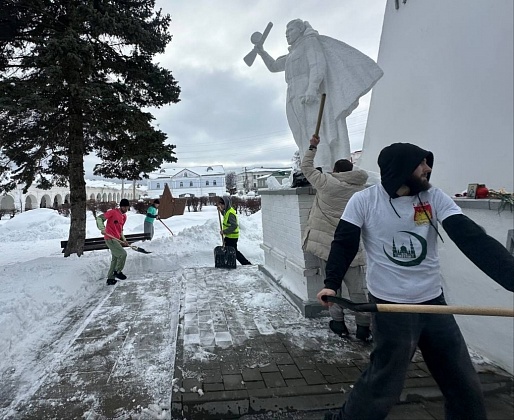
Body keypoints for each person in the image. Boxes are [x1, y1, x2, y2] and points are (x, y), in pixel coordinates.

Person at [317, 142, 514, 420]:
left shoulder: (434, 197)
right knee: (384, 382)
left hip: (434, 304)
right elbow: (344, 243)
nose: (428, 168)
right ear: (401, 169)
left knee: (462, 381)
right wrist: (332, 282)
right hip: (391, 306)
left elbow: (471, 238)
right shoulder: (364, 201)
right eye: (421, 163)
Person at [254, 19, 382, 172]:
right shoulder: (292, 53)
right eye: (286, 32)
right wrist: (261, 52)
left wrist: (312, 89)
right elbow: (274, 66)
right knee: (300, 134)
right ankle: (309, 169)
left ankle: (323, 168)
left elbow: (317, 65)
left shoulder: (309, 43)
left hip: (308, 94)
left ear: (300, 30)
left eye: (290, 30)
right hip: (293, 95)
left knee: (314, 131)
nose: (287, 34)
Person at [301, 134, 371, 342]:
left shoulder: (327, 183)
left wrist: (312, 147)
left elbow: (306, 168)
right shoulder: (361, 190)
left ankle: (339, 324)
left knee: (332, 287)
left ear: (336, 171)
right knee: (357, 290)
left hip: (327, 246)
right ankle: (363, 327)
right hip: (352, 246)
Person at [96, 198, 131, 285]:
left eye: (127, 207)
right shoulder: (113, 212)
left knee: (115, 259)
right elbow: (99, 218)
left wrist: (124, 240)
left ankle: (110, 278)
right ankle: (117, 271)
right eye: (124, 207)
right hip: (110, 238)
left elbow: (120, 230)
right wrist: (102, 228)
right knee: (123, 254)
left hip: (116, 239)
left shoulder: (124, 217)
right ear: (121, 206)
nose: (126, 208)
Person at [218, 196, 251, 266]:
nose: (221, 206)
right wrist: (221, 211)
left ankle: (246, 263)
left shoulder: (230, 213)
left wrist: (224, 231)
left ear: (226, 204)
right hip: (229, 236)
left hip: (232, 236)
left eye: (222, 204)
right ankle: (229, 263)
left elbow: (234, 225)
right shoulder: (227, 211)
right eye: (220, 204)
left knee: (233, 251)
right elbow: (225, 216)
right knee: (229, 250)